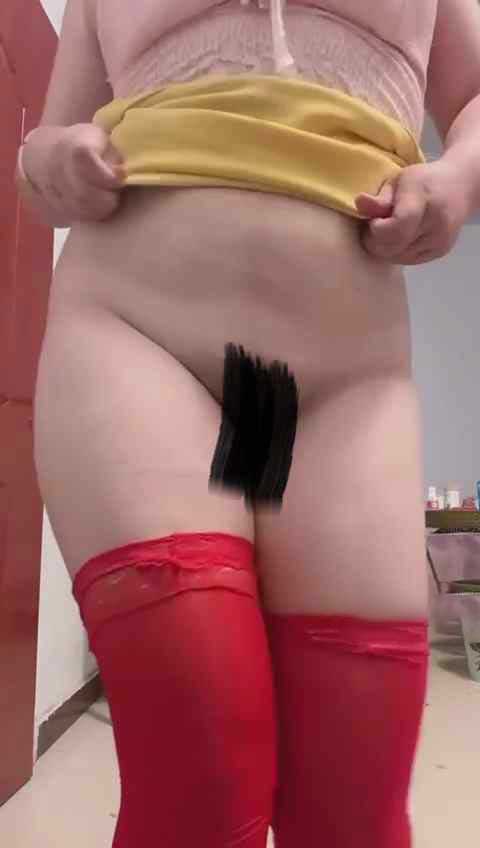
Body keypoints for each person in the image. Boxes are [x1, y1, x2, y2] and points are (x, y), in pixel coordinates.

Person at [17, 1, 480, 846]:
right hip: (138, 340)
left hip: (344, 388)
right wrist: (43, 158)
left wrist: (458, 178)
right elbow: (48, 142)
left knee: (354, 815)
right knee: (198, 789)